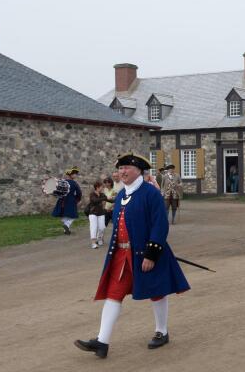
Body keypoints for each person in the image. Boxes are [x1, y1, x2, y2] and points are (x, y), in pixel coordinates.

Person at [74, 153, 190, 358]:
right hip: (121, 254)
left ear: (138, 170)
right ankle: (102, 342)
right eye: (120, 168)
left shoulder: (150, 193)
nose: (122, 172)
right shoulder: (121, 195)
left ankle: (162, 331)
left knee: (156, 291)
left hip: (145, 254)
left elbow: (160, 225)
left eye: (126, 167)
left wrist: (152, 254)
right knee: (113, 293)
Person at [52, 167, 82, 235]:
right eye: (74, 174)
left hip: (62, 200)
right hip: (71, 201)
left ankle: (65, 230)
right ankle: (67, 225)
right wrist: (77, 199)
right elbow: (79, 192)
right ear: (70, 175)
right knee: (74, 216)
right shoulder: (74, 183)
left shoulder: (63, 182)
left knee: (64, 215)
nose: (76, 175)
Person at [87, 181, 108, 249]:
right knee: (93, 227)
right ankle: (93, 243)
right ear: (97, 187)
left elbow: (108, 199)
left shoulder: (102, 194)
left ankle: (99, 239)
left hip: (101, 213)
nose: (103, 188)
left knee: (102, 227)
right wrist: (103, 198)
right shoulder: (92, 194)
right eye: (102, 187)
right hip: (93, 213)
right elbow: (95, 200)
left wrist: (116, 200)